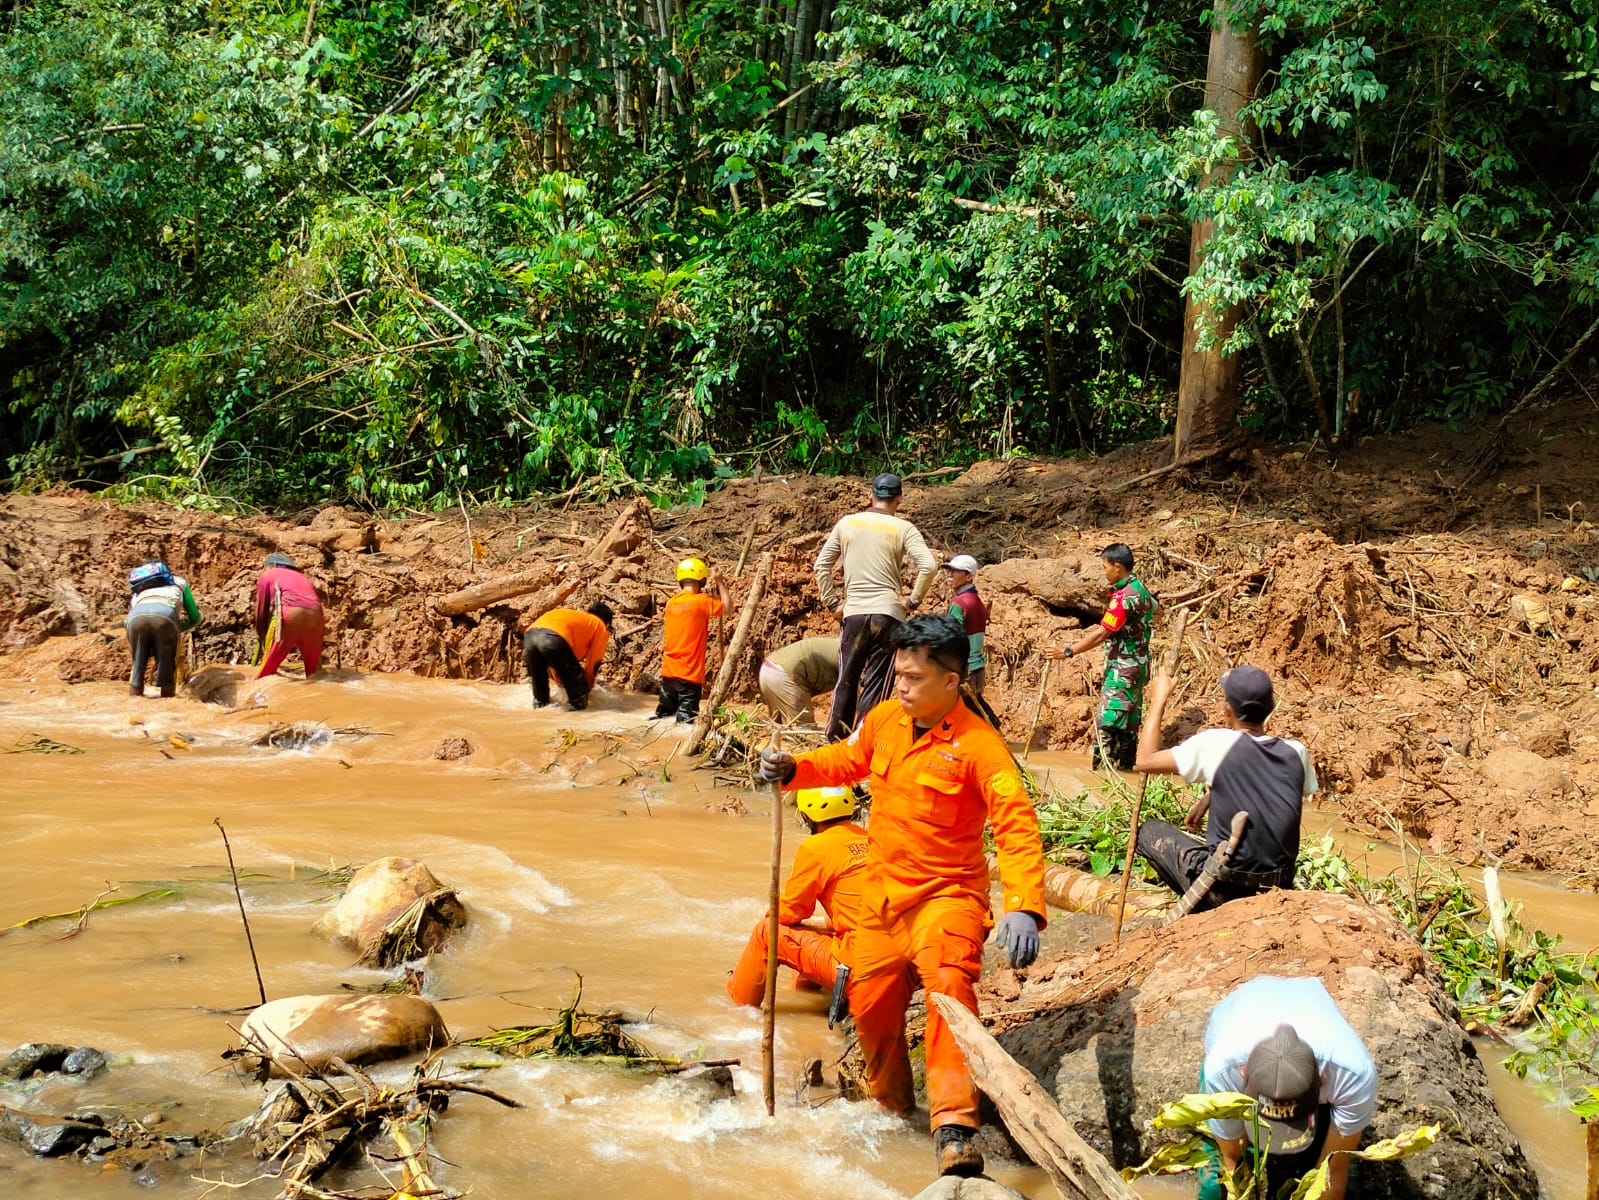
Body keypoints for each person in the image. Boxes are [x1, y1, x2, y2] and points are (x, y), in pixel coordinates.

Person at [758, 613, 1047, 1178]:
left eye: (914, 678)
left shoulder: (981, 747)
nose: (902, 687)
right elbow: (847, 759)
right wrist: (794, 767)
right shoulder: (886, 718)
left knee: (948, 991)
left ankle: (954, 1129)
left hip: (947, 896)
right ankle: (892, 1110)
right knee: (868, 1001)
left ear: (951, 682)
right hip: (882, 895)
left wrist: (1024, 906)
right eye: (898, 675)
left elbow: (1016, 825)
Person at [1132, 664, 1317, 909]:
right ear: (1271, 708)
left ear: (1226, 708)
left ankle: (1203, 909)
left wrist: (1159, 699)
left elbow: (1145, 760)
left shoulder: (1215, 744)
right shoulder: (1297, 751)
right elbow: (1274, 789)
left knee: (1147, 832)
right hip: (1278, 887)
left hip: (1225, 888)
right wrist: (1211, 796)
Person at [1198, 976, 1377, 1200]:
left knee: (1345, 1180)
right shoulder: (1224, 1070)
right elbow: (1232, 1157)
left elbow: (1332, 1170)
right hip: (1241, 1017)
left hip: (1314, 1019)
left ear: (1322, 1079)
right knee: (1216, 1185)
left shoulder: (1352, 1074)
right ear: (1243, 1074)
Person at [813, 472, 938, 740]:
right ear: (899, 499)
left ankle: (834, 741)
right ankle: (864, 740)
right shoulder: (904, 528)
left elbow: (821, 565)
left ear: (870, 495)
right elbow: (928, 565)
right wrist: (912, 600)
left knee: (846, 678)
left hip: (855, 611)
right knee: (877, 682)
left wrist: (833, 602)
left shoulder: (848, 523)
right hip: (888, 614)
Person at [727, 786, 867, 1005]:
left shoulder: (816, 847)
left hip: (861, 974)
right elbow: (865, 914)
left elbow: (788, 912)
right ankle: (810, 997)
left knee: (766, 932)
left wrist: (770, 915)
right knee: (813, 933)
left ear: (805, 815)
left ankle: (739, 1010)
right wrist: (816, 924)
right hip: (902, 967)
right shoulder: (872, 840)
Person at [1043, 542, 1156, 770]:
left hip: (1122, 670)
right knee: (1128, 729)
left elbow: (1102, 633)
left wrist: (1068, 651)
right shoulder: (1141, 589)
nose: (1103, 572)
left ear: (1117, 567)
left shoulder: (1124, 598)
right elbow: (1158, 609)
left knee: (1108, 726)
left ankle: (1102, 778)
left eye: (1105, 567)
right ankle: (1126, 778)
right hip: (1138, 668)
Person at [655, 558, 728, 722]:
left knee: (662, 718)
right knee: (685, 723)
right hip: (689, 675)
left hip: (668, 673)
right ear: (702, 580)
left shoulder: (671, 603)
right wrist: (720, 582)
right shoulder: (701, 602)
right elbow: (728, 608)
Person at [125, 560, 200, 698]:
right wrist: (177, 628)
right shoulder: (179, 582)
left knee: (138, 665)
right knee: (167, 664)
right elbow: (195, 617)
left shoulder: (139, 588)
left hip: (135, 619)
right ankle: (167, 705)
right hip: (166, 617)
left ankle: (134, 704)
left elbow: (133, 614)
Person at [524, 602, 612, 710]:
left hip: (530, 636)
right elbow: (594, 661)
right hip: (552, 638)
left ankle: (540, 708)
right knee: (579, 697)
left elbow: (555, 658)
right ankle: (574, 721)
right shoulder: (600, 625)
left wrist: (560, 681)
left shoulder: (577, 620)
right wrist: (586, 686)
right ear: (607, 623)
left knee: (541, 694)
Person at [254, 552, 326, 680]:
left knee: (267, 672)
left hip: (290, 613)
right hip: (316, 615)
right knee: (315, 673)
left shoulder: (268, 574)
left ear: (272, 565)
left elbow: (261, 611)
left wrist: (262, 635)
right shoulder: (303, 577)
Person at [757, 636, 841, 726]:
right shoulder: (850, 654)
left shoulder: (843, 645)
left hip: (768, 668)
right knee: (803, 730)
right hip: (784, 675)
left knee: (779, 726)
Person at [942, 554, 989, 698]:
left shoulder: (959, 603)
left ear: (968, 576)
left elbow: (953, 638)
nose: (951, 575)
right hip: (977, 668)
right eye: (950, 571)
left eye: (956, 571)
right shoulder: (977, 601)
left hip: (964, 670)